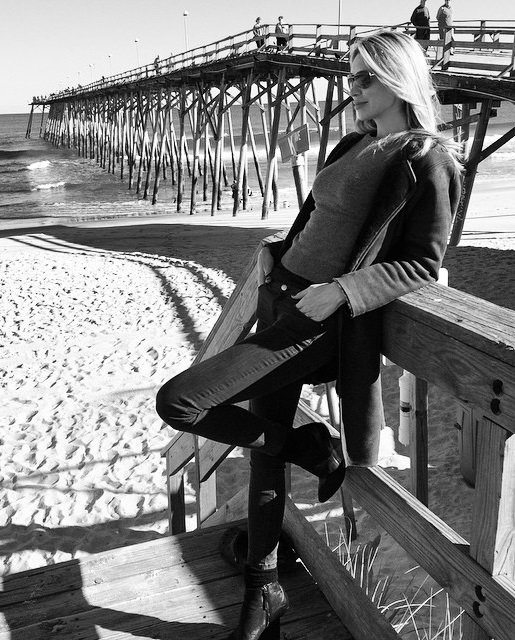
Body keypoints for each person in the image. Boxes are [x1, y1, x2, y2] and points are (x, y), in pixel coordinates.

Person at [156, 28, 462, 640]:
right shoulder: (354, 142)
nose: (354, 88)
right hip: (280, 296)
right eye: (351, 76)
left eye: (366, 76)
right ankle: (263, 589)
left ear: (399, 78)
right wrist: (280, 246)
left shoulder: (427, 159)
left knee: (180, 403)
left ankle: (308, 448)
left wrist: (343, 292)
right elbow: (319, 216)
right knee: (262, 451)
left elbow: (423, 264)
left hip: (315, 322)